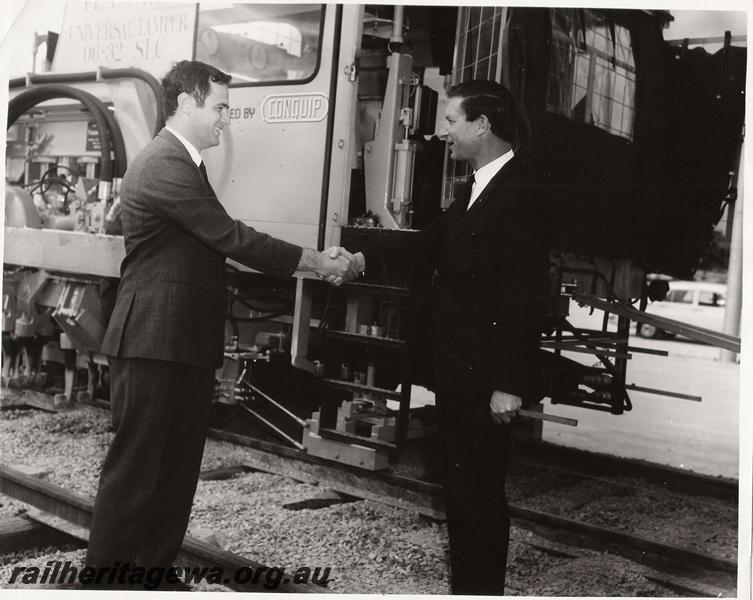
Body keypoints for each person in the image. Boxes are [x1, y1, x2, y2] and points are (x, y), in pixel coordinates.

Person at [86, 60, 351, 587]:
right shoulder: (163, 163)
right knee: (137, 473)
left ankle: (149, 577)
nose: (226, 119)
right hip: (152, 340)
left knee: (175, 471)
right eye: (220, 107)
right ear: (186, 103)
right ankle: (105, 586)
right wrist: (317, 262)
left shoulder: (185, 164)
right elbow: (230, 237)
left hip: (178, 341)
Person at [348, 80, 550, 594]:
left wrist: (508, 383)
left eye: (452, 121)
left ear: (483, 125)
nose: (444, 133)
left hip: (484, 381)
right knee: (463, 492)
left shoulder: (520, 193)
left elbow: (524, 298)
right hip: (462, 372)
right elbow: (428, 245)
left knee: (477, 496)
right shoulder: (477, 188)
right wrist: (362, 257)